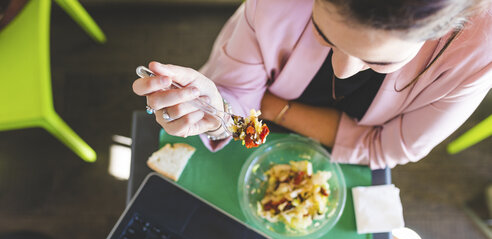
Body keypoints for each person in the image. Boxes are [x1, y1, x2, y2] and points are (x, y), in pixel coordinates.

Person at [133, 0, 492, 169]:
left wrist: (272, 107)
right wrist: (218, 109)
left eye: (377, 61)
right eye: (324, 35)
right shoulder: (275, 6)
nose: (343, 70)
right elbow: (238, 98)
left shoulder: (478, 52)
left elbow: (389, 149)